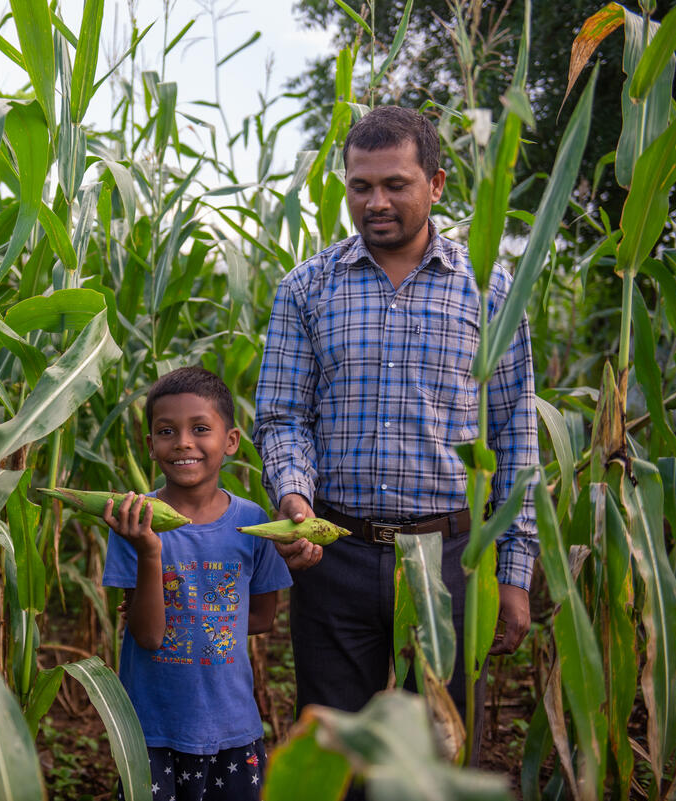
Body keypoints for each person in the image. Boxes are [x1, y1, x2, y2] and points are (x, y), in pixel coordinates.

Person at [253, 106, 538, 750]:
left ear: (436, 184)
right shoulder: (307, 287)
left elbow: (518, 438)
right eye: (361, 186)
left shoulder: (491, 288)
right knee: (332, 751)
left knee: (437, 753)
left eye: (395, 185)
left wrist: (515, 575)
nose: (374, 202)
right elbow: (283, 415)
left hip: (451, 560)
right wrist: (294, 496)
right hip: (335, 551)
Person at [102, 366, 293, 801]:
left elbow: (262, 617)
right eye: (167, 431)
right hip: (152, 733)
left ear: (231, 441)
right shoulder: (134, 521)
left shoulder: (253, 523)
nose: (183, 442)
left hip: (233, 728)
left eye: (200, 428)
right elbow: (148, 636)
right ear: (150, 446)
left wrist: (198, 623)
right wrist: (151, 551)